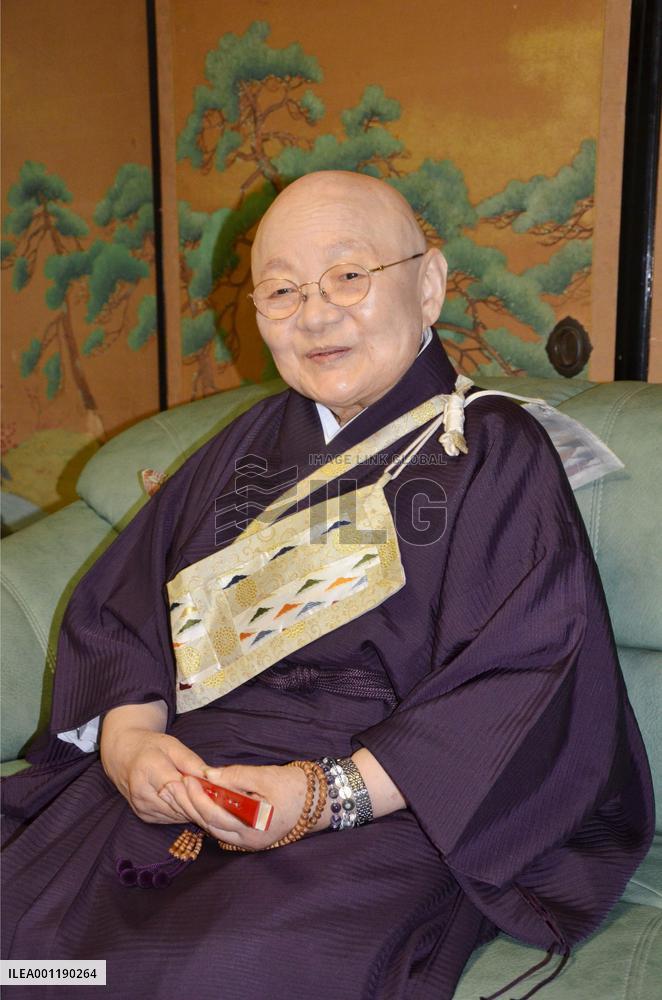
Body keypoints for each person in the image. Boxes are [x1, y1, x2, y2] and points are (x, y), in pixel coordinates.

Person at [1, 171, 654, 1000]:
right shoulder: (238, 448)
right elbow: (124, 615)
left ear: (428, 285)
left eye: (349, 276)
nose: (314, 314)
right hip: (185, 776)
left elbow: (525, 675)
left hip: (378, 800)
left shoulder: (492, 446)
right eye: (281, 290)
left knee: (230, 969)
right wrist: (131, 749)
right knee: (29, 942)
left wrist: (324, 794)